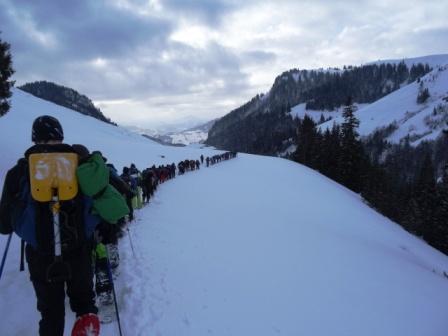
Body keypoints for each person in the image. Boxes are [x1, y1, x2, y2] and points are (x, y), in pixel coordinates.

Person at [0, 116, 99, 336]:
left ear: (35, 139)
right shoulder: (79, 165)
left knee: (51, 314)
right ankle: (88, 324)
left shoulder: (18, 173)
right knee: (84, 304)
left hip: (41, 255)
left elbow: (4, 225)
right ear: (61, 136)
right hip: (79, 249)